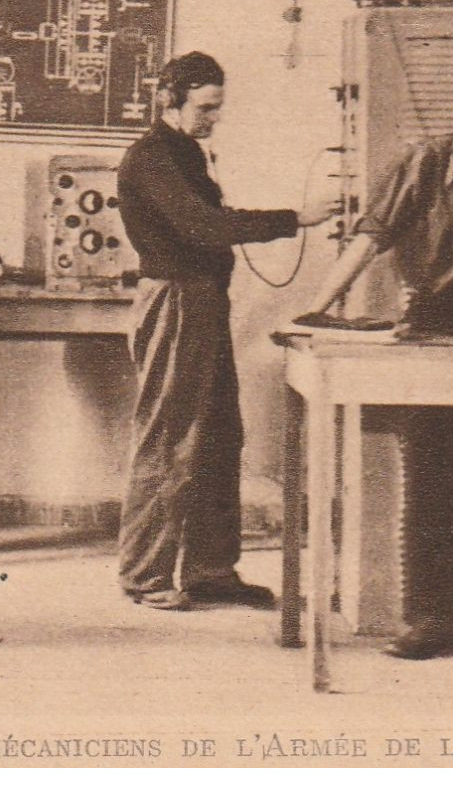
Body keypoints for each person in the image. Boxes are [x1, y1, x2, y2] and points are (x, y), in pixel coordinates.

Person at [302, 67, 453, 660]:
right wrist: (314, 308)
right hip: (434, 324)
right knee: (429, 475)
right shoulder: (428, 162)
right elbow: (371, 237)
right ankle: (430, 618)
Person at [115, 51, 337, 610]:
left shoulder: (186, 152)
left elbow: (211, 220)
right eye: (206, 108)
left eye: (218, 108)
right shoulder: (150, 158)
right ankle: (145, 575)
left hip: (204, 301)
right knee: (170, 440)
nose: (214, 118)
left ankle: (210, 571)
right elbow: (202, 225)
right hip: (176, 302)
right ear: (170, 99)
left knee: (218, 437)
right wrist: (296, 218)